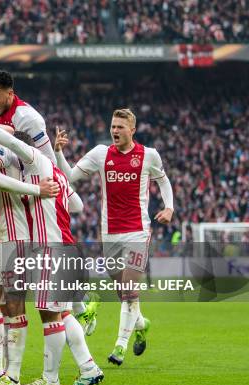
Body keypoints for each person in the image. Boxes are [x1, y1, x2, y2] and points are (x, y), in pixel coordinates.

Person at [0, 121, 104, 385]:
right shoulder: (52, 173)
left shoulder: (37, 162)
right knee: (60, 313)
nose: (3, 158)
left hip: (50, 246)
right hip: (54, 244)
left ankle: (50, 379)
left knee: (50, 314)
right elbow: (78, 205)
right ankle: (88, 367)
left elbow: (9, 149)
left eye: (8, 154)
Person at [54, 108, 174, 365]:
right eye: (113, 126)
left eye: (121, 127)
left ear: (133, 129)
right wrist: (58, 152)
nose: (115, 131)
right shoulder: (100, 154)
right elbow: (69, 176)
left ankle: (119, 347)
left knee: (130, 290)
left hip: (138, 231)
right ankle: (142, 324)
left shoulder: (148, 155)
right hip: (109, 233)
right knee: (124, 293)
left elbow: (163, 181)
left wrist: (169, 207)